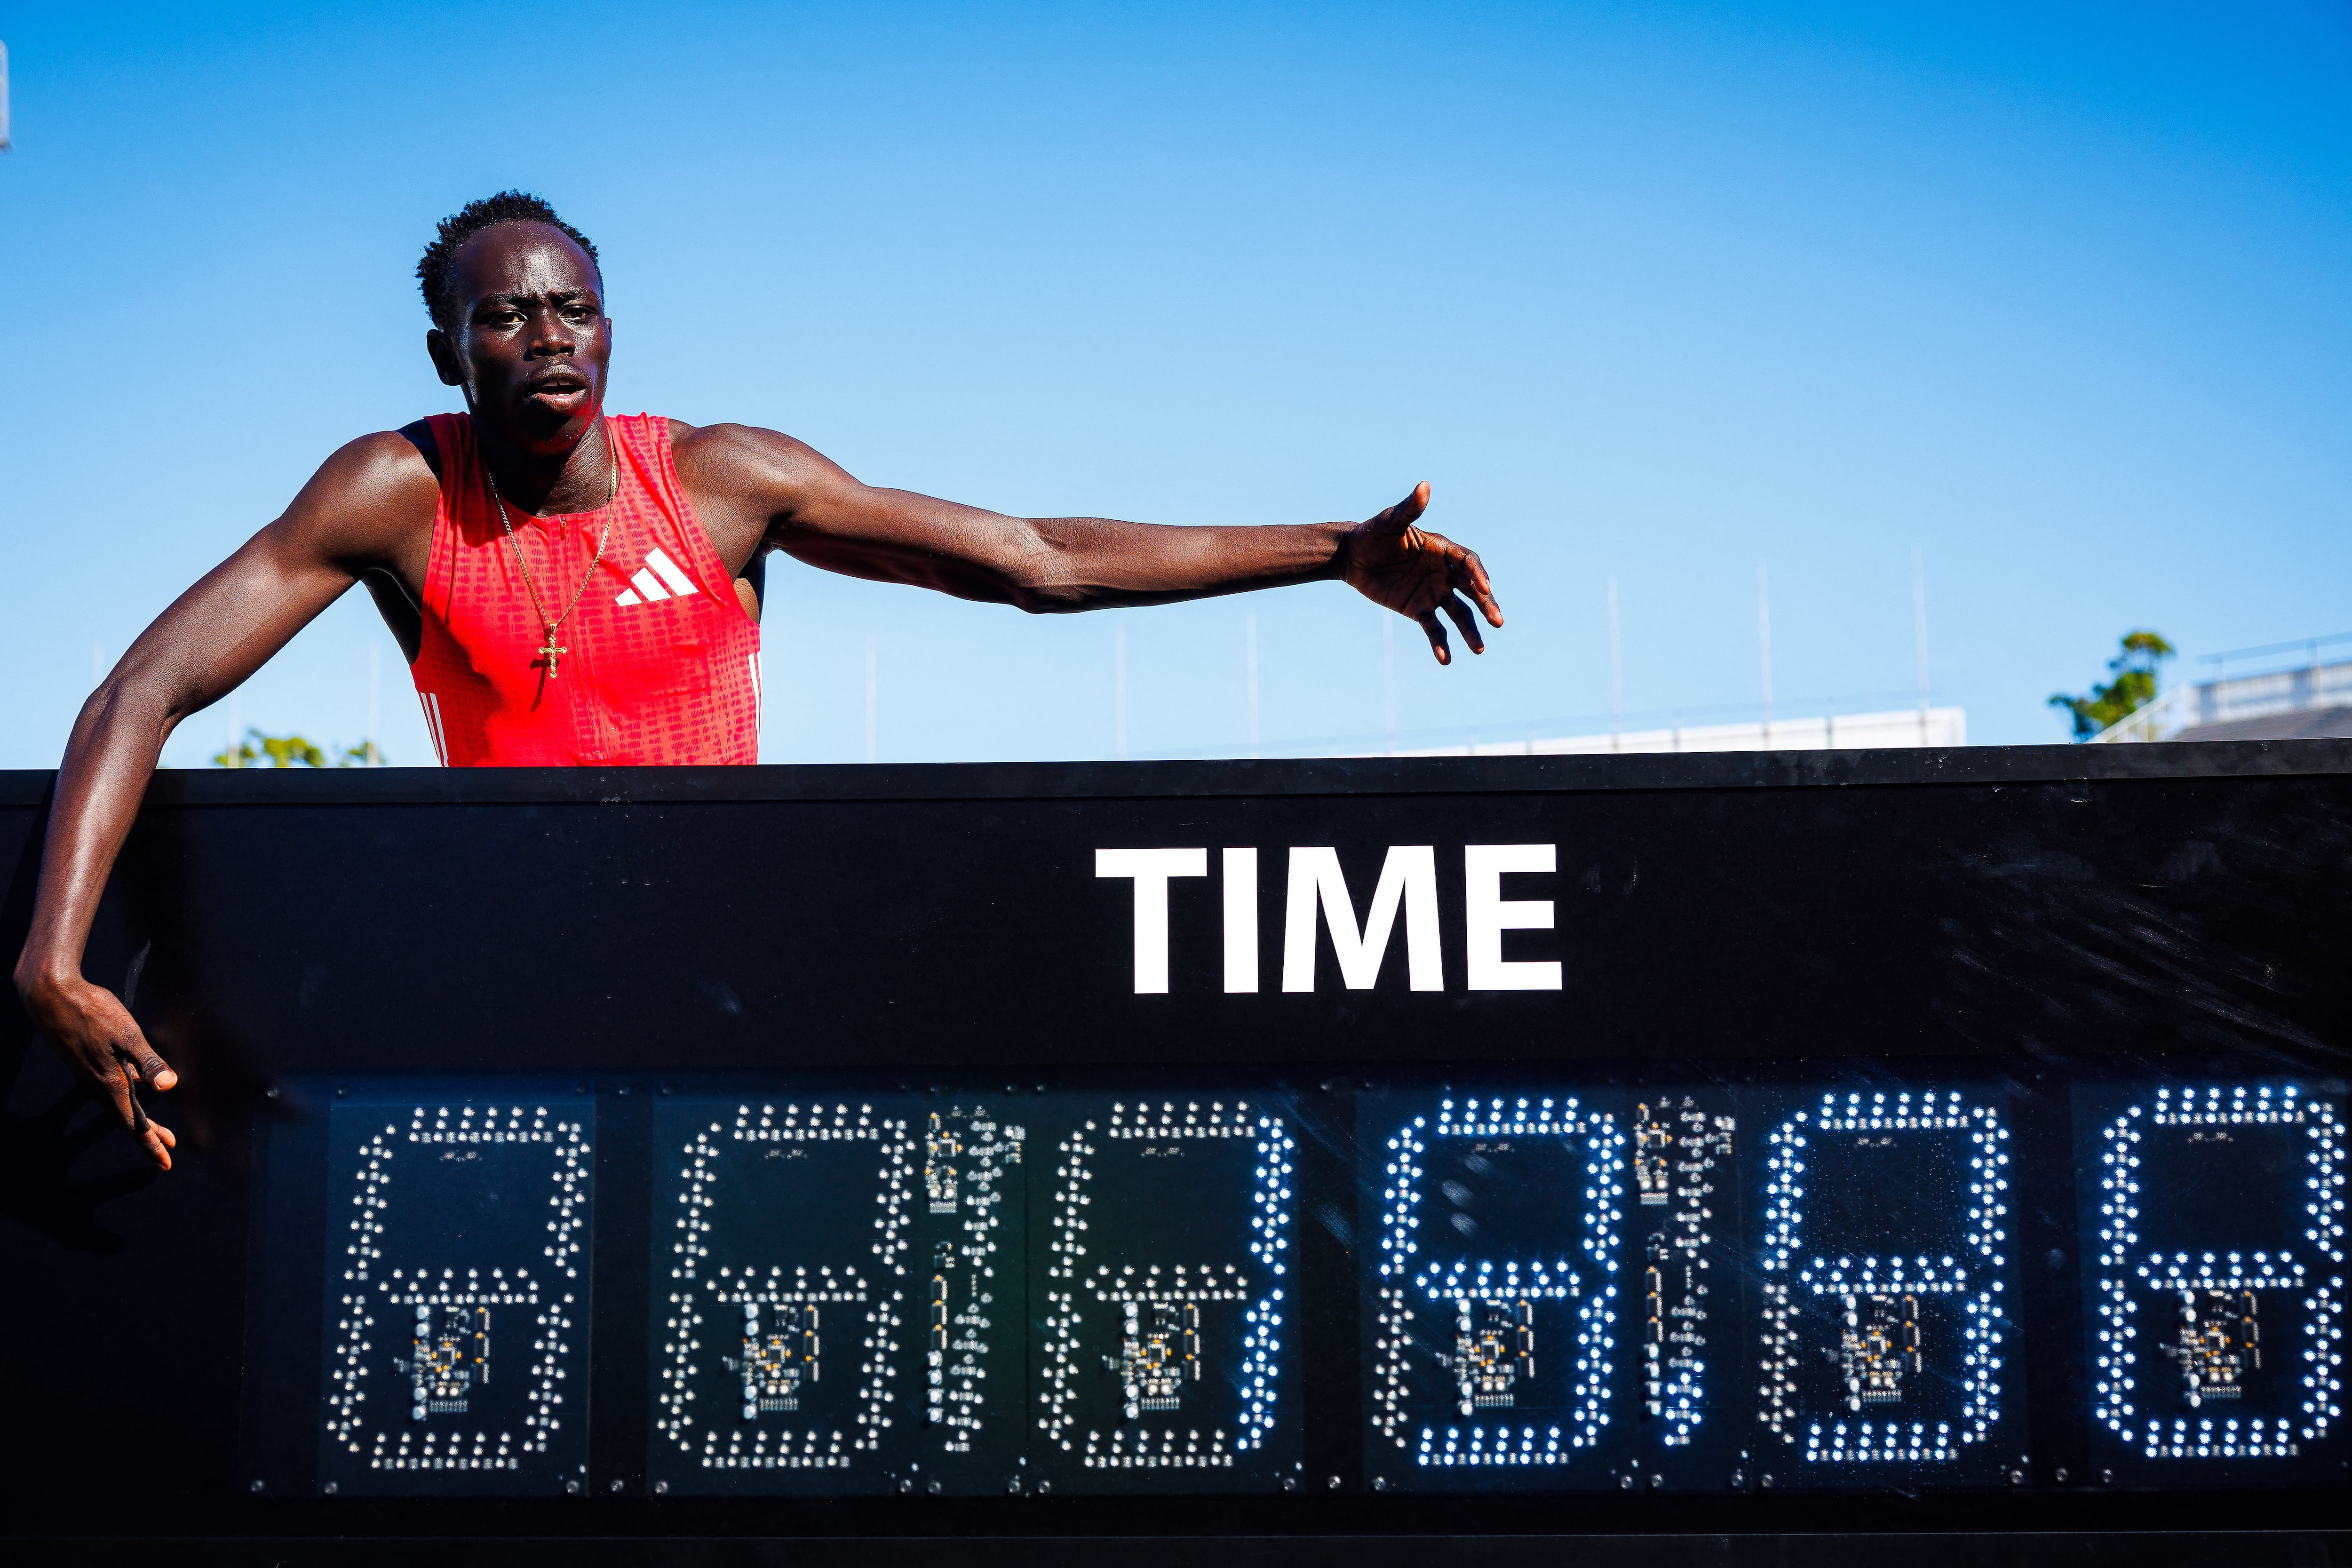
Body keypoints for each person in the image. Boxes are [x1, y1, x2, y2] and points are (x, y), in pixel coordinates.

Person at [13, 191, 1504, 1172]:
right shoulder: (392, 491)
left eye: (571, 308)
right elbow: (140, 691)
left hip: (722, 972)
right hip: (513, 980)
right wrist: (52, 960)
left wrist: (1327, 553)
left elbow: (1037, 556)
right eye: (506, 316)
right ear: (447, 345)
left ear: (611, 323)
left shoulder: (723, 483)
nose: (546, 338)